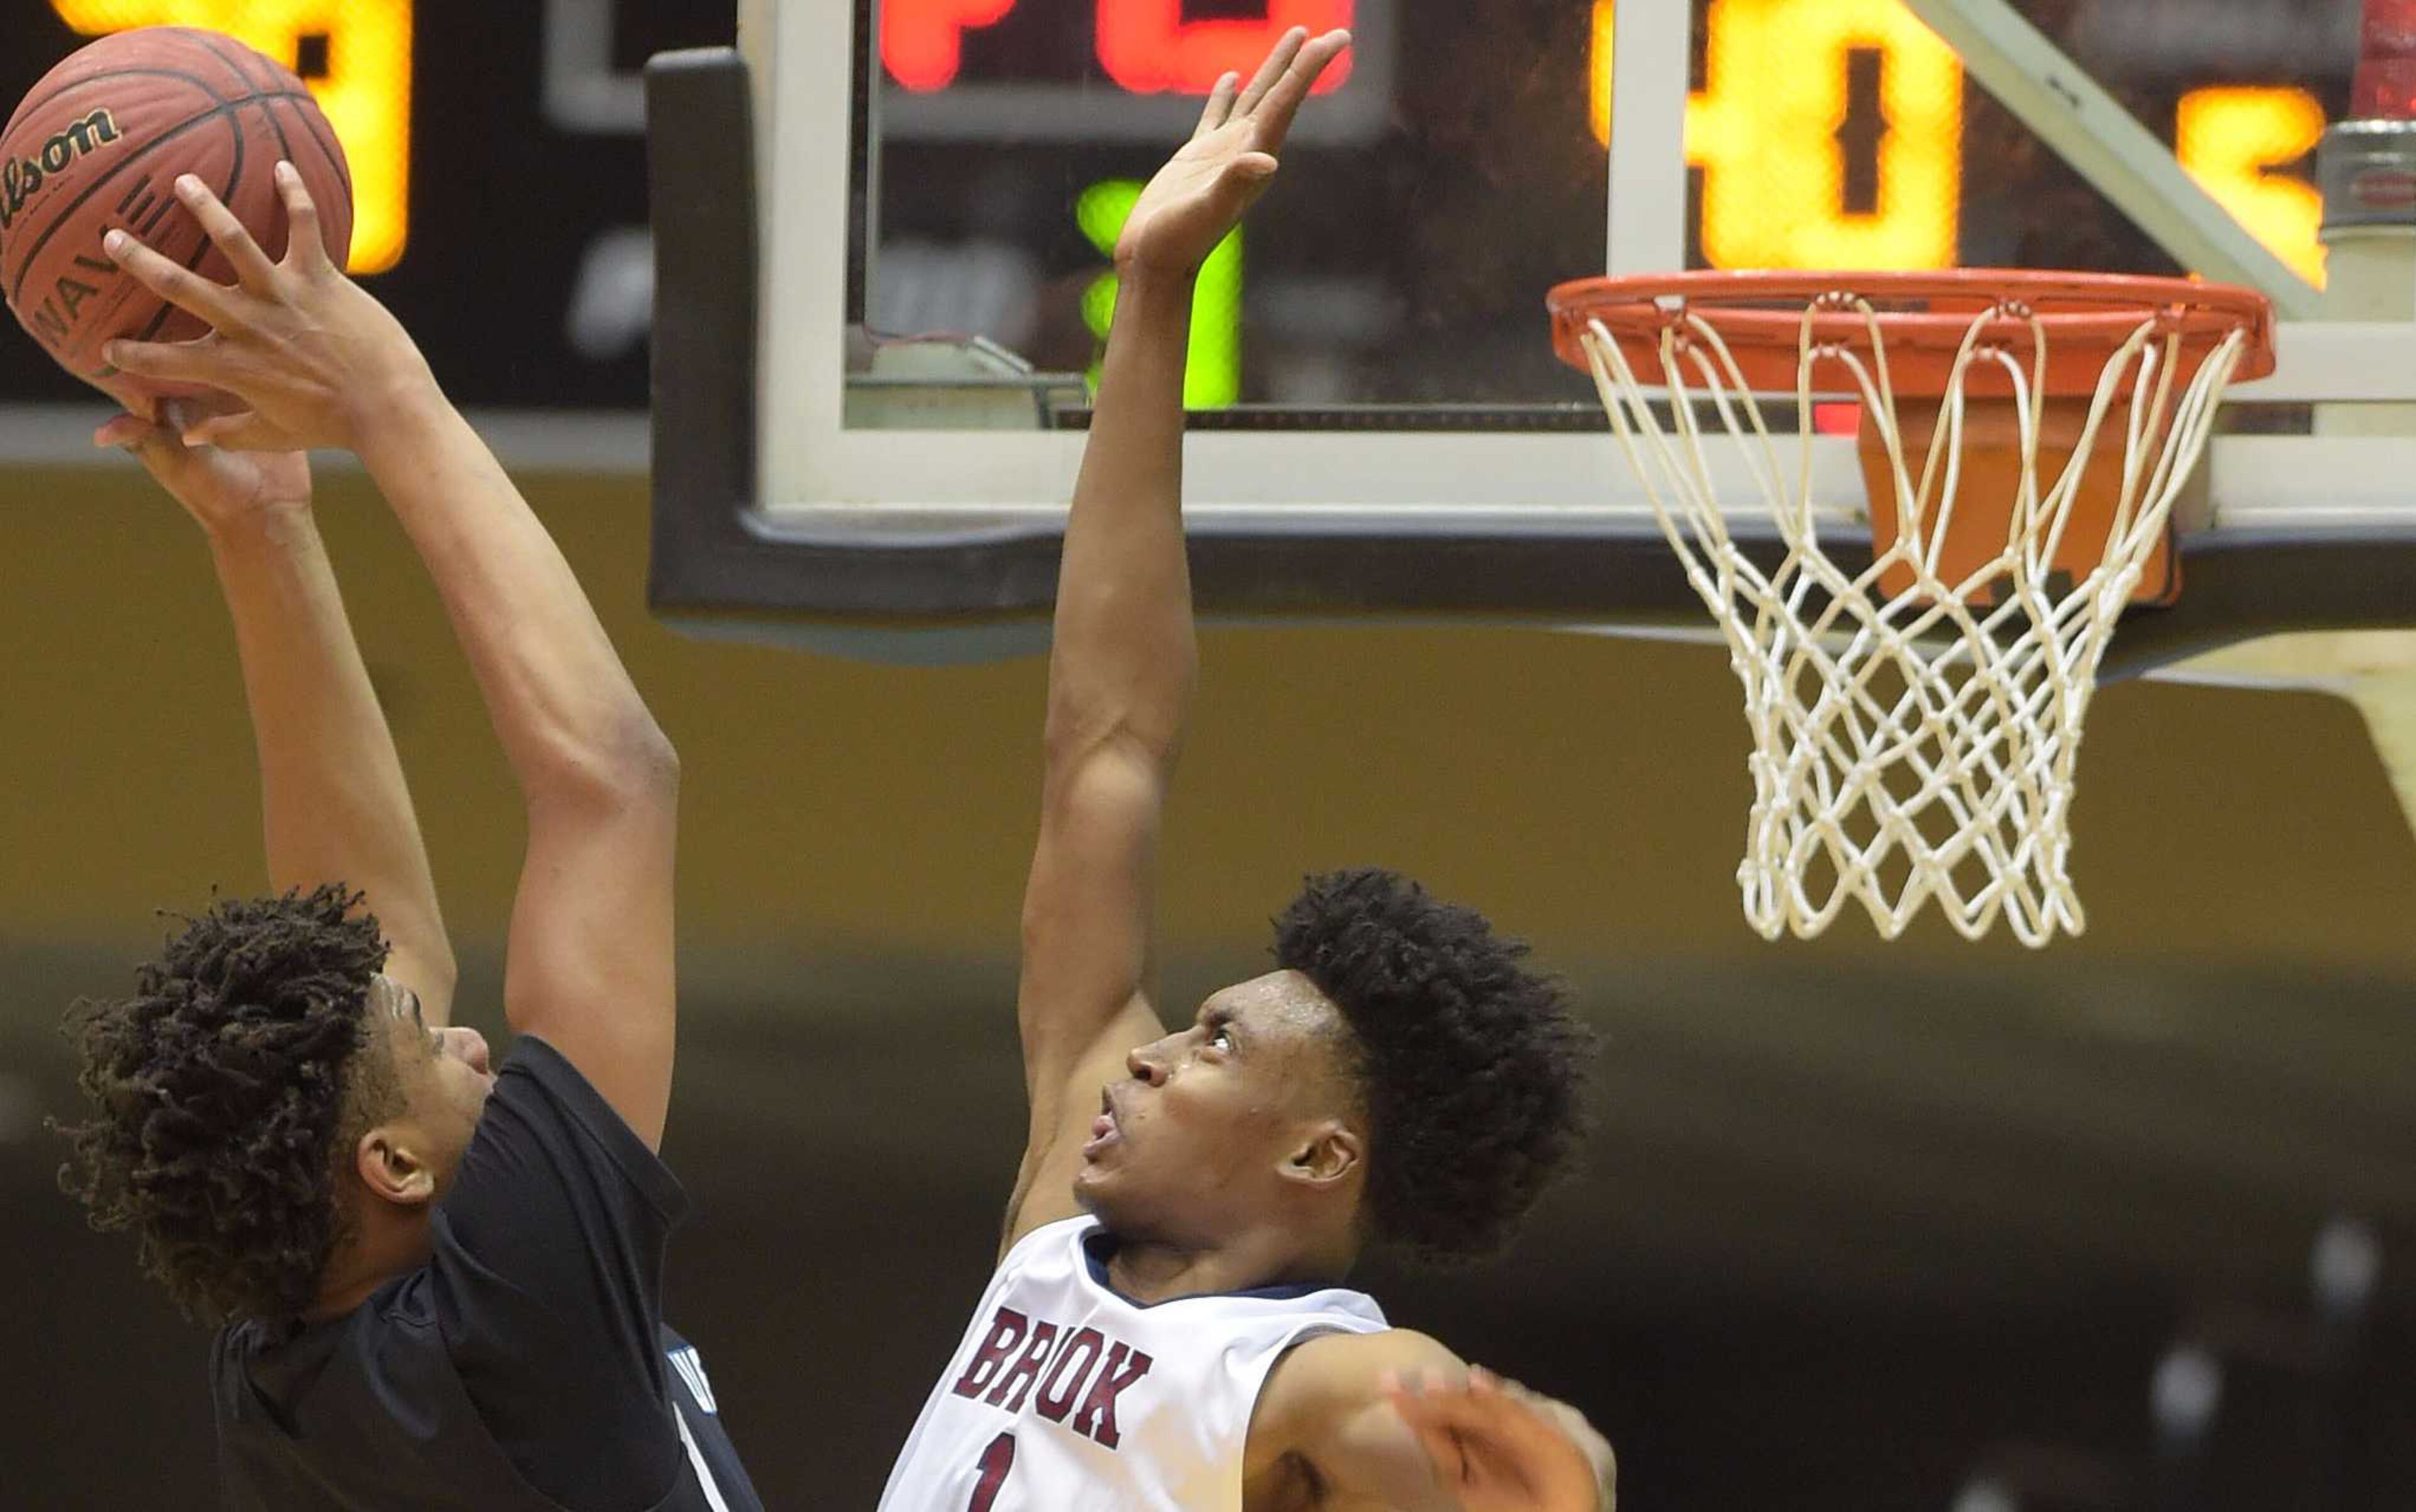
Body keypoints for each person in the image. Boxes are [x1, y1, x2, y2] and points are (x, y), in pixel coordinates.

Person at [877, 30, 1614, 1512]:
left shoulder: (1303, 1369)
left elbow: (1505, 1444)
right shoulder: (1062, 1225)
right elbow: (1107, 734)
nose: (1147, 1053)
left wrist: (1560, 1466)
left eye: (1215, 1042)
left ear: (1319, 1153)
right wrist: (1152, 294)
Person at [57, 162, 760, 1511]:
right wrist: (387, 394)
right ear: (390, 1165)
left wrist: (264, 525)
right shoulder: (515, 1327)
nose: (475, 1038)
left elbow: (360, 924)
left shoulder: (295, 1368)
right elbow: (612, 784)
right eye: (432, 1043)